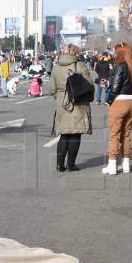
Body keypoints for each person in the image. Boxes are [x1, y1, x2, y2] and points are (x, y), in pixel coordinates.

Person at [50, 44, 93, 172]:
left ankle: (59, 165)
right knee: (75, 134)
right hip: (77, 102)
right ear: (75, 53)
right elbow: (89, 85)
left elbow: (52, 89)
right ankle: (71, 164)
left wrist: (60, 97)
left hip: (62, 104)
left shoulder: (56, 68)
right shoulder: (80, 66)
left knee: (64, 135)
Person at [103, 43, 132, 175]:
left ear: (120, 53)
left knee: (114, 134)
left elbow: (115, 87)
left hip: (119, 101)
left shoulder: (120, 66)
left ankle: (112, 164)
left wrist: (108, 101)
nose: (114, 54)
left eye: (115, 52)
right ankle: (126, 165)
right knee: (126, 135)